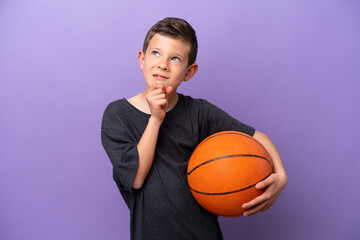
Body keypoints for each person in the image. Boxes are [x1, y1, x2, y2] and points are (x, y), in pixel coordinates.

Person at [101, 17, 287, 240]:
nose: (163, 64)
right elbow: (136, 178)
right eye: (156, 53)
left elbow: (258, 137)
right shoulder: (117, 114)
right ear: (142, 59)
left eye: (175, 58)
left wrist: (281, 175)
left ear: (189, 72)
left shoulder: (199, 112)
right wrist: (155, 119)